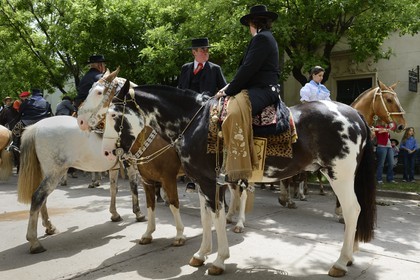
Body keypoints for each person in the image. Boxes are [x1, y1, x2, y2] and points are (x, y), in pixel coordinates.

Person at [215, 4, 280, 181]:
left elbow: (248, 69)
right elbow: (247, 70)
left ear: (253, 23)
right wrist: (228, 87)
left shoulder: (262, 39)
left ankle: (238, 169)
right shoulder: (265, 38)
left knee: (233, 112)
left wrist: (228, 90)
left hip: (264, 90)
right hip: (258, 88)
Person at [177, 38, 227, 191]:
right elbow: (180, 90)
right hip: (187, 113)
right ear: (194, 52)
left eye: (207, 49)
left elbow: (225, 89)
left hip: (207, 113)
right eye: (202, 49)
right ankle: (187, 174)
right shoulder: (186, 68)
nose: (206, 52)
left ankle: (214, 173)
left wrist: (218, 98)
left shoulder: (214, 69)